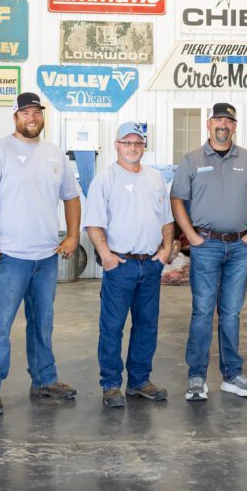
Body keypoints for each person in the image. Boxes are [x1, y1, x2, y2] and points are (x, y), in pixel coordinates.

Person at [0, 92, 81, 416]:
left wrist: (73, 235)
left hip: (46, 257)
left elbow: (71, 197)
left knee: (42, 323)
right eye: (26, 113)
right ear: (16, 117)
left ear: (42, 116)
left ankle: (45, 380)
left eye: (37, 112)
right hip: (9, 257)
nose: (32, 118)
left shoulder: (54, 153)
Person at [171, 102, 247, 401]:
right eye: (218, 120)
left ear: (235, 126)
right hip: (206, 246)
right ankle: (197, 377)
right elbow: (176, 199)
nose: (223, 125)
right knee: (202, 312)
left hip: (239, 247)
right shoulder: (191, 160)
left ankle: (232, 375)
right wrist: (190, 235)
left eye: (228, 121)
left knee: (231, 313)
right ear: (209, 124)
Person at [84, 121, 175, 408]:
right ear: (117, 145)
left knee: (147, 325)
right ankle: (111, 384)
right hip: (120, 265)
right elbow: (94, 223)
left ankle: (139, 381)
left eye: (138, 143)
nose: (133, 147)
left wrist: (165, 251)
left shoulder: (155, 178)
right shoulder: (105, 179)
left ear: (144, 146)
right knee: (112, 327)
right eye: (127, 142)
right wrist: (106, 256)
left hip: (150, 265)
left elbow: (167, 219)